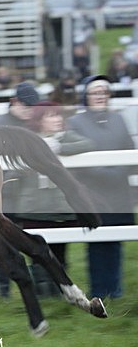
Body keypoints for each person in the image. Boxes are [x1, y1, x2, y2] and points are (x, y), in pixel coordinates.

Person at [9, 101, 95, 296]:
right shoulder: (26, 140)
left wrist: (60, 147)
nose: (57, 119)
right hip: (33, 208)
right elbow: (12, 170)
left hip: (61, 208)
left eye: (58, 115)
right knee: (37, 255)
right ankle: (42, 295)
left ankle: (60, 294)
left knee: (60, 254)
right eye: (51, 116)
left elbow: (88, 144)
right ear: (39, 120)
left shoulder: (65, 137)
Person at [67, 75, 135, 300]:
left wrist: (118, 172)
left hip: (118, 190)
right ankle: (99, 291)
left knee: (115, 241)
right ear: (86, 96)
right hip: (93, 192)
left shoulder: (119, 119)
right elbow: (76, 157)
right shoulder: (76, 122)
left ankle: (115, 291)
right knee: (97, 242)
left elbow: (129, 149)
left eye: (104, 92)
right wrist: (103, 174)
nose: (100, 96)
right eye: (95, 92)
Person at [0, 81, 41, 298]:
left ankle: (40, 287)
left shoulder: (33, 125)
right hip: (6, 196)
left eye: (32, 107)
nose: (29, 111)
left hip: (30, 196)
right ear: (14, 102)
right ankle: (4, 291)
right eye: (26, 106)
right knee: (6, 245)